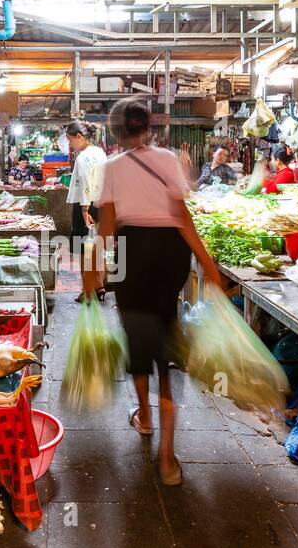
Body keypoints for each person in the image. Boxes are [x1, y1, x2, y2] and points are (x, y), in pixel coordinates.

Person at [91, 97, 224, 486]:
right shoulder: (168, 160)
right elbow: (182, 217)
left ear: (116, 132)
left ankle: (145, 417)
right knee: (166, 340)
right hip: (171, 254)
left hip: (131, 253)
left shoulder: (111, 166)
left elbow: (108, 228)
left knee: (137, 337)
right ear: (149, 127)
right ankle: (167, 459)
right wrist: (209, 265)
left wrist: (94, 269)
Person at [66, 120, 108, 303]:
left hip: (86, 206)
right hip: (101, 204)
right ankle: (99, 286)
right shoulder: (100, 152)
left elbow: (85, 183)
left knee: (85, 250)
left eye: (70, 140)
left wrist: (84, 210)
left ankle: (88, 290)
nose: (70, 144)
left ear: (79, 137)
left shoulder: (83, 157)